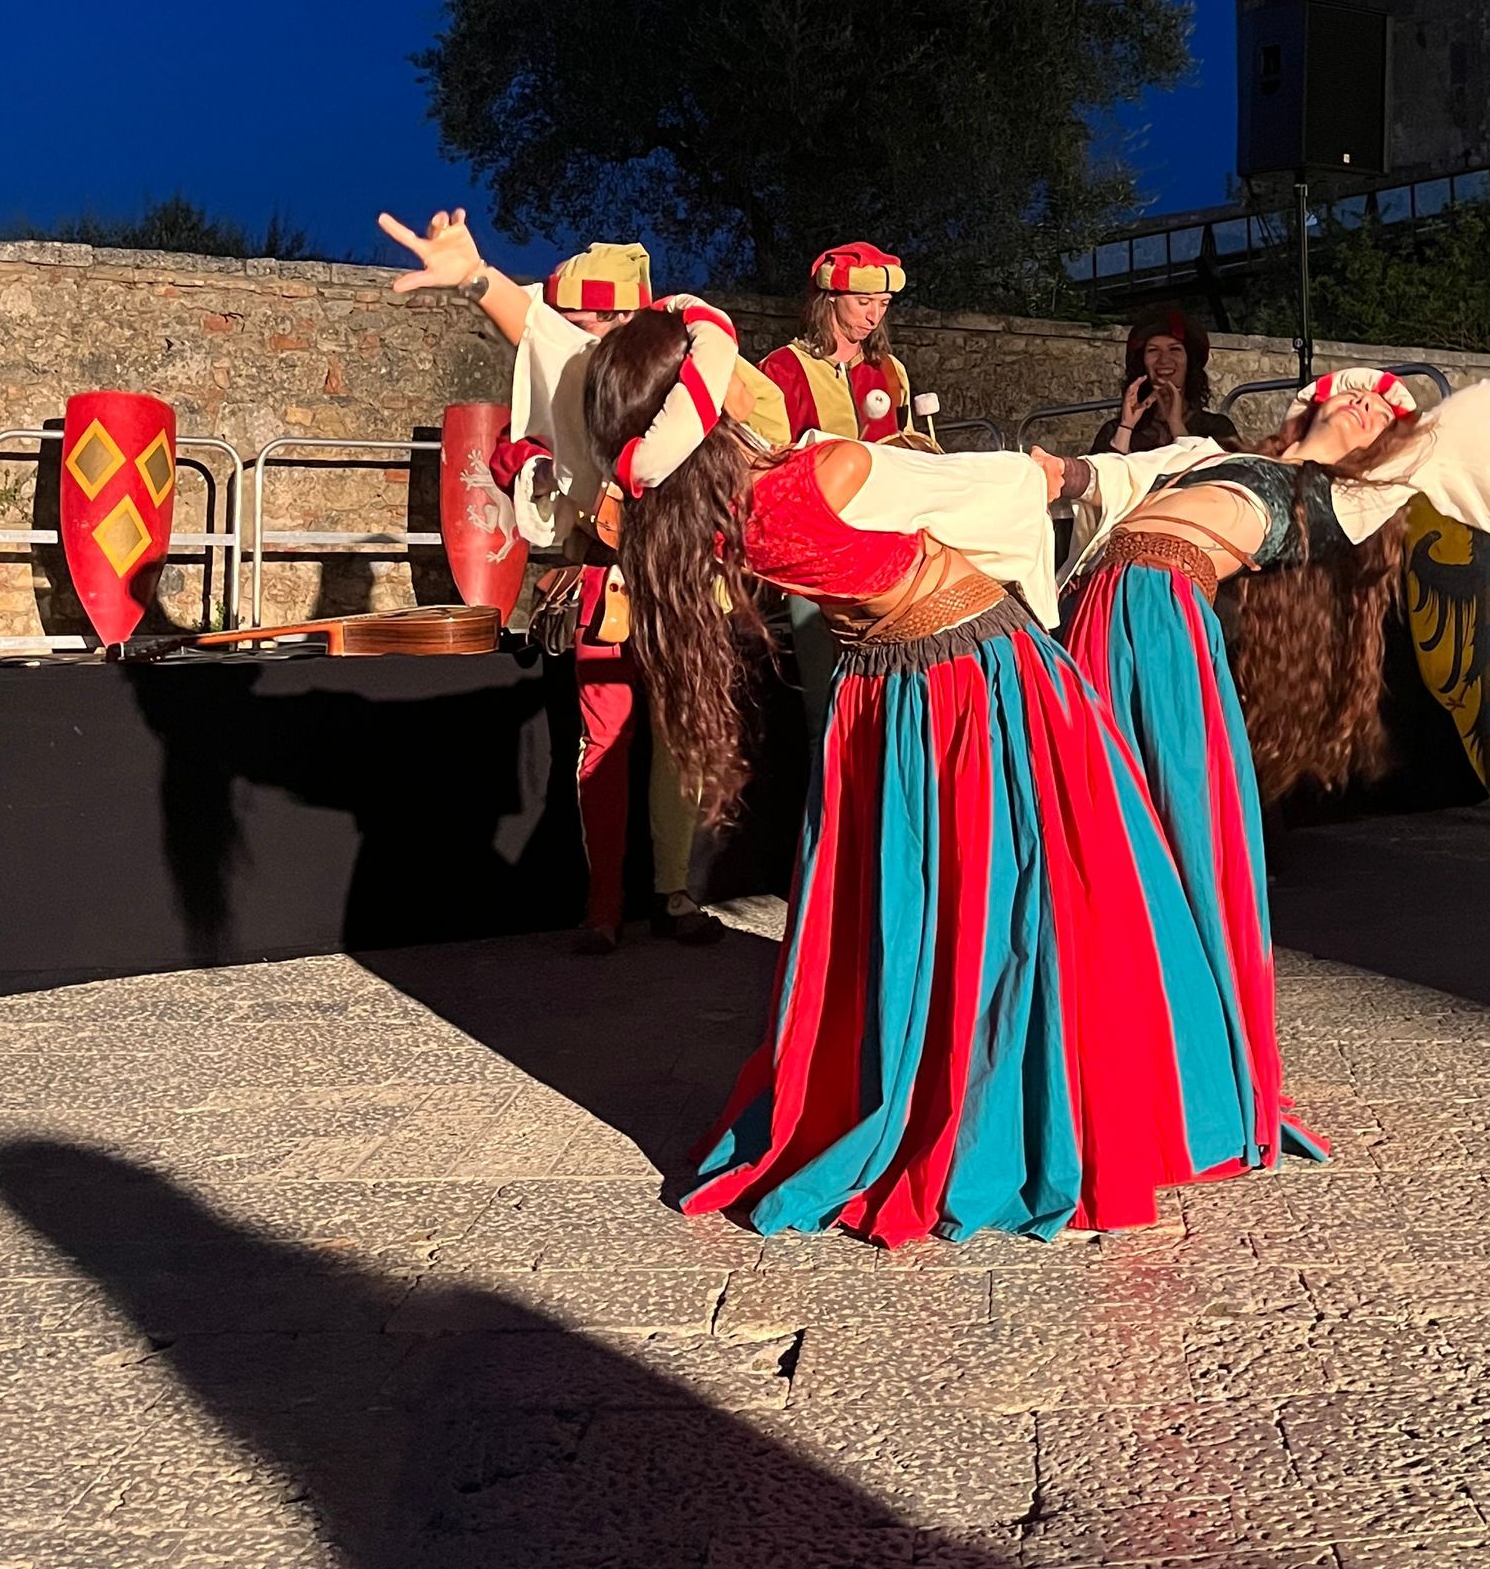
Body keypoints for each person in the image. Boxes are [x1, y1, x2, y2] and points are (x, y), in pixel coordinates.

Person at [583, 299, 1323, 1245]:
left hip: (886, 705)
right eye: (728, 369)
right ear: (709, 401)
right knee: (1053, 902)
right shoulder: (829, 470)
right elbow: (1022, 486)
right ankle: (1066, 1115)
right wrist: (1154, 465)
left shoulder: (693, 519)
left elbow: (613, 398)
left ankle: (937, 1082)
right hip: (983, 682)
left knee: (936, 910)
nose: (749, 379)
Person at [1058, 316, 1490, 986]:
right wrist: (1058, 474)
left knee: (1155, 819)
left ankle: (1169, 1006)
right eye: (1354, 393)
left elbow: (1457, 425)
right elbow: (1115, 473)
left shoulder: (1359, 495)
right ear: (1314, 404)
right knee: (1080, 814)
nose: (1368, 402)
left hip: (1159, 619)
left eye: (1384, 411)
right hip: (1096, 604)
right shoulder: (1218, 457)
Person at [376, 207, 790, 950]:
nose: (580, 336)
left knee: (679, 744)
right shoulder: (577, 373)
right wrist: (477, 281)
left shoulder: (707, 370)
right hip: (607, 591)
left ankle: (673, 893)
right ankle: (604, 904)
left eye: (594, 321)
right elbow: (530, 400)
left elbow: (768, 443)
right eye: (571, 320)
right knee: (603, 748)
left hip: (687, 587)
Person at [760, 243, 918, 442]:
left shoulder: (892, 370)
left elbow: (907, 450)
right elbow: (765, 456)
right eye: (863, 302)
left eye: (884, 303)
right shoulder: (781, 369)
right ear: (832, 297)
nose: (874, 317)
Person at [1091, 309, 1238, 456]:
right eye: (1153, 350)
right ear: (1143, 364)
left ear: (1189, 362)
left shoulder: (1217, 429)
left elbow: (1217, 473)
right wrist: (1126, 427)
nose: (1164, 360)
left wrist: (1176, 424)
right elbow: (1103, 475)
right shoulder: (1114, 430)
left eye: (1174, 349)